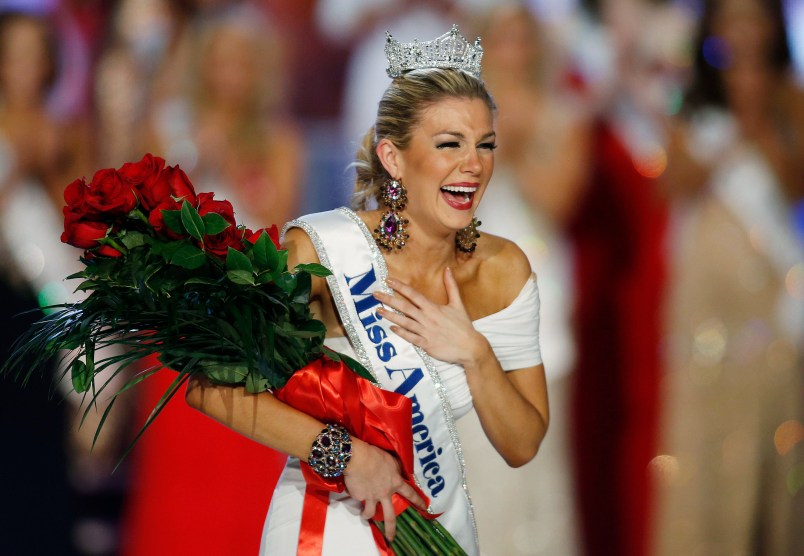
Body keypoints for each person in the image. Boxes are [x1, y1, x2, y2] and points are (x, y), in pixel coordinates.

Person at [186, 25, 549, 554]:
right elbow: (208, 384)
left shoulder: (504, 269)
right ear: (393, 157)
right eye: (450, 143)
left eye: (485, 144)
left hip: (432, 526)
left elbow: (522, 444)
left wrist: (475, 354)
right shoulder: (320, 251)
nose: (474, 165)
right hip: (325, 522)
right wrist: (346, 455)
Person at [652, 0, 804, 554]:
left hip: (772, 291)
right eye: (730, 19)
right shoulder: (690, 101)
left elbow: (794, 186)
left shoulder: (791, 97)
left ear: (772, 26)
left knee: (774, 428)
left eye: (754, 17)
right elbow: (668, 184)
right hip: (706, 299)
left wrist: (757, 118)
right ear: (712, 30)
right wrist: (720, 136)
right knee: (703, 434)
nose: (742, 31)